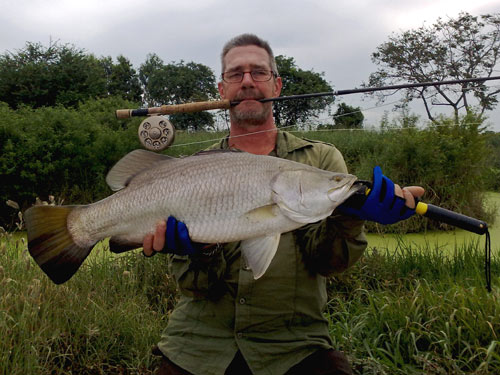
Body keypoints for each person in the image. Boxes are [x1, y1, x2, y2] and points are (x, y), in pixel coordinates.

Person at [143, 34, 424, 375]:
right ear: (221, 90)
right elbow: (194, 287)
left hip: (296, 345)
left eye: (258, 73)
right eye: (236, 74)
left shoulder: (321, 159)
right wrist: (198, 251)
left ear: (276, 85)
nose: (247, 82)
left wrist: (349, 217)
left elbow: (329, 263)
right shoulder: (197, 168)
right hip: (199, 344)